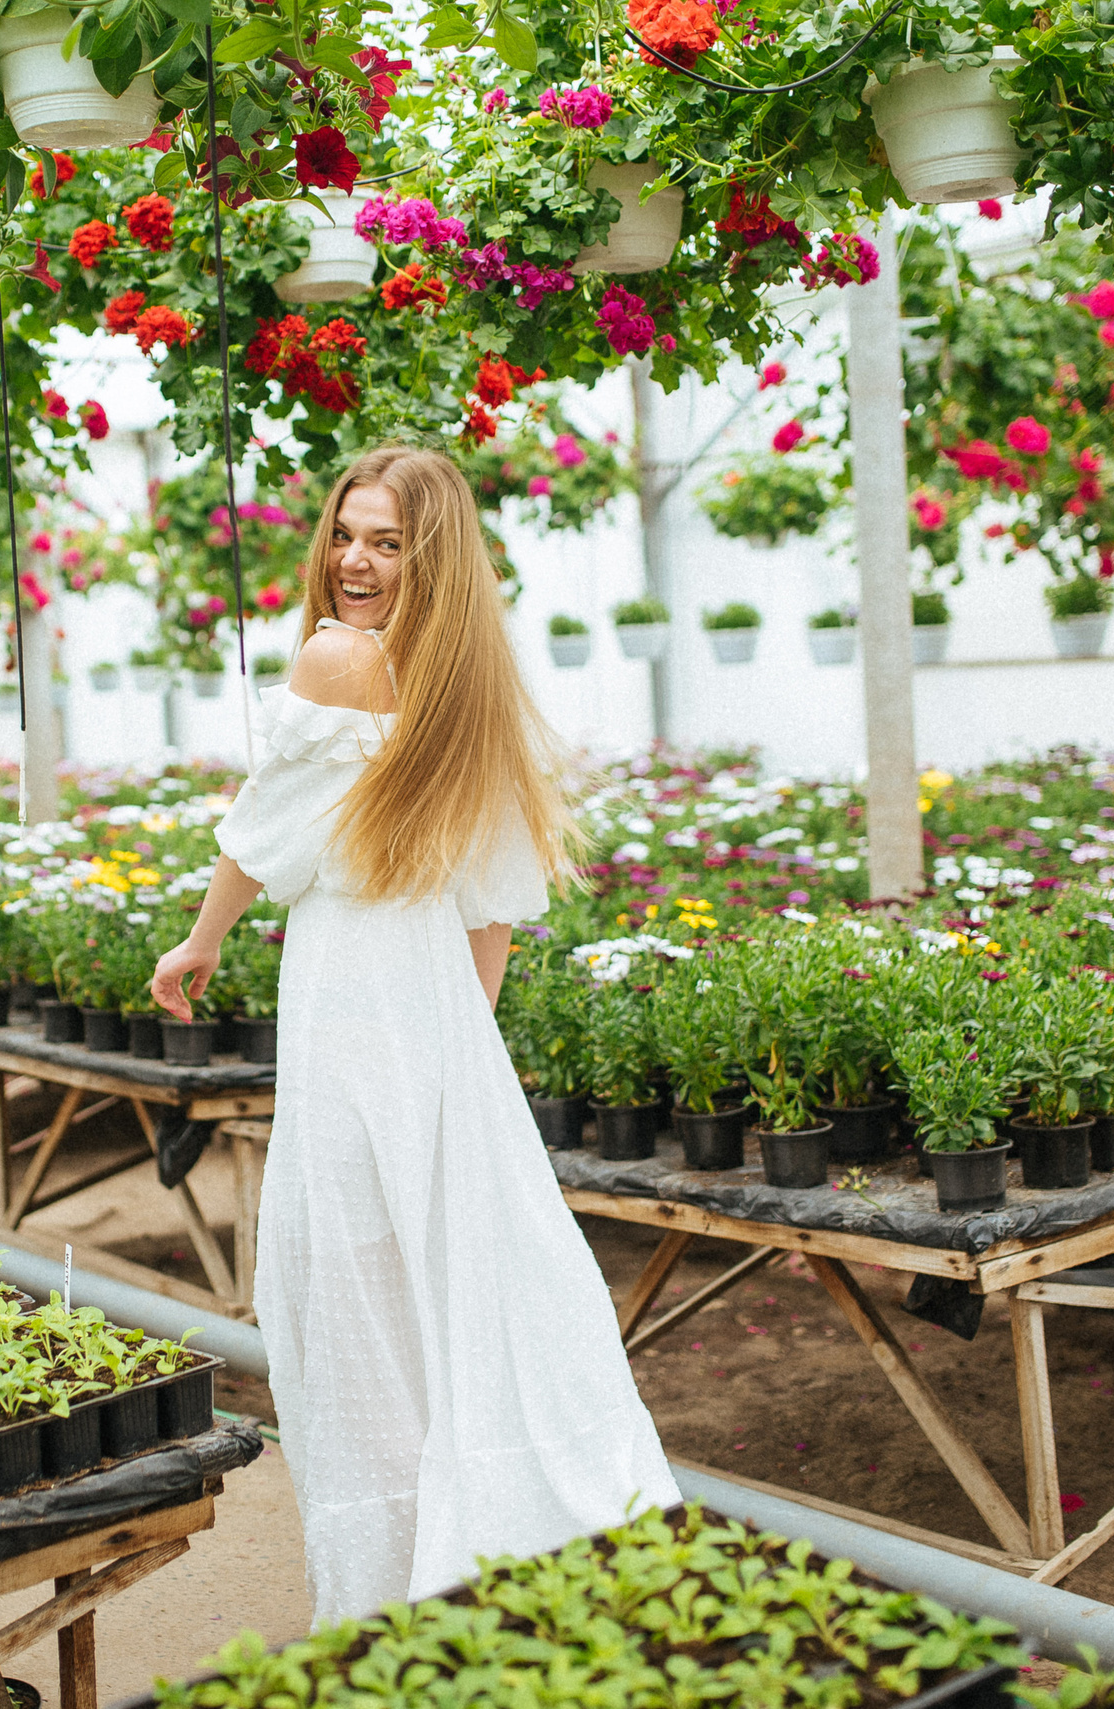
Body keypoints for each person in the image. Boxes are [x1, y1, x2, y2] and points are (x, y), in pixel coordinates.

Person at [150, 446, 676, 1625]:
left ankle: (395, 1578)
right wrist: (454, 1052)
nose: (352, 560)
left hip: (351, 995)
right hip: (431, 1007)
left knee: (344, 1275)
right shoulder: (467, 692)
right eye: (345, 532)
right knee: (459, 1265)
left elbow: (263, 826)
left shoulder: (337, 661)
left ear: (429, 556)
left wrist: (202, 940)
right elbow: (490, 913)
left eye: (386, 540)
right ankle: (502, 1540)